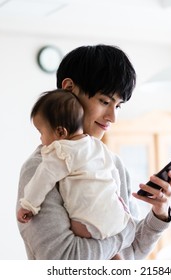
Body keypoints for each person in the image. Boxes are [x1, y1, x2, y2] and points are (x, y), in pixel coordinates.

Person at [16, 44, 171, 260]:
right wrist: (125, 233)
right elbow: (64, 259)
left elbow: (133, 253)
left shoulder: (113, 162)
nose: (113, 117)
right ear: (69, 89)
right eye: (104, 101)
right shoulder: (40, 168)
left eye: (118, 106)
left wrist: (160, 213)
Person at [17, 89, 129, 259]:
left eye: (41, 133)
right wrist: (119, 208)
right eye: (105, 102)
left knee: (79, 228)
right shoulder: (99, 148)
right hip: (118, 217)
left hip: (88, 226)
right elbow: (114, 178)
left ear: (61, 132)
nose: (41, 139)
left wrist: (28, 205)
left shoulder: (60, 152)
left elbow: (42, 180)